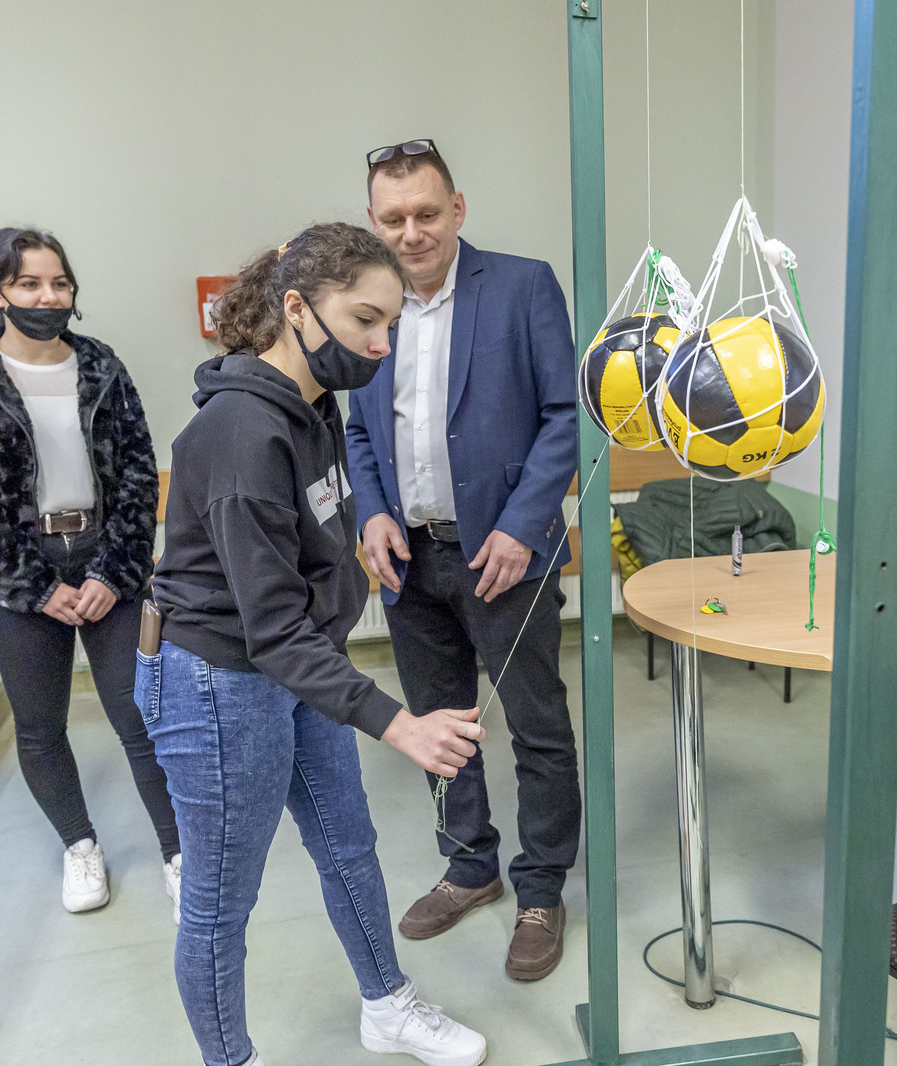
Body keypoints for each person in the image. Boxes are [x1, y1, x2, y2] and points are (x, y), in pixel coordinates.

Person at [141, 222, 488, 1066]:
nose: (381, 344)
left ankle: (387, 1006)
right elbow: (270, 627)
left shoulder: (315, 406)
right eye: (365, 320)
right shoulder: (239, 433)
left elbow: (309, 550)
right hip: (217, 682)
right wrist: (400, 724)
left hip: (298, 668)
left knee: (347, 844)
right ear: (296, 308)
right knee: (220, 901)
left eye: (391, 325)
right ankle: (230, 1058)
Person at [346, 139, 581, 981]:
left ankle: (541, 888)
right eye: (394, 218)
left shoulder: (522, 286)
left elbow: (566, 415)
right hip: (411, 564)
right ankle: (469, 865)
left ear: (458, 209)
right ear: (374, 222)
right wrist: (371, 511)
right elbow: (358, 430)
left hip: (503, 557)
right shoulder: (368, 306)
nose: (411, 233)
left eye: (426, 214)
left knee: (537, 728)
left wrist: (523, 525)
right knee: (438, 731)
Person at [0, 227, 180, 917]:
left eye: (59, 283)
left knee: (142, 716)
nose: (48, 296)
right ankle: (80, 846)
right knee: (41, 726)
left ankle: (177, 852)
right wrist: (37, 588)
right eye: (30, 283)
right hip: (17, 575)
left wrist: (112, 572)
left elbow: (137, 475)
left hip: (106, 559)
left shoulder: (101, 366)